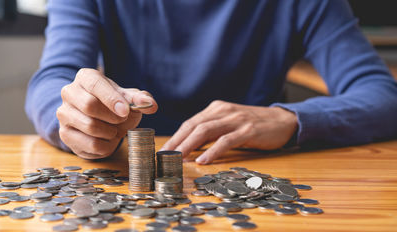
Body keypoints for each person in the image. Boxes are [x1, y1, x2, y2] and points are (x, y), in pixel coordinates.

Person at [26, 0, 397, 164]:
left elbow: (383, 96)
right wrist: (71, 117)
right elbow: (54, 79)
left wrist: (288, 118)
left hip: (256, 171)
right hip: (127, 169)